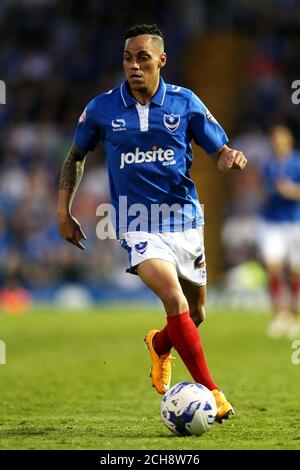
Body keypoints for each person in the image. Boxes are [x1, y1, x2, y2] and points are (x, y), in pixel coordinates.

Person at [57, 24, 247, 422]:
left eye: (143, 58)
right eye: (128, 58)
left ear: (162, 60)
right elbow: (75, 156)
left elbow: (219, 147)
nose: (134, 66)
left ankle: (160, 343)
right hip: (137, 222)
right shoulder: (102, 109)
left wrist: (227, 156)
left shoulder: (185, 103)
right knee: (174, 301)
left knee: (194, 317)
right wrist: (64, 211)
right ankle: (213, 394)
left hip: (185, 220)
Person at [258, 125, 300, 339]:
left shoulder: (297, 162)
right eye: (274, 140)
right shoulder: (267, 165)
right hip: (272, 221)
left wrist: (291, 191)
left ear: (289, 141)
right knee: (273, 267)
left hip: (294, 222)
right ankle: (279, 315)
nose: (277, 143)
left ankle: (294, 316)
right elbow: (264, 189)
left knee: (295, 270)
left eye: (281, 140)